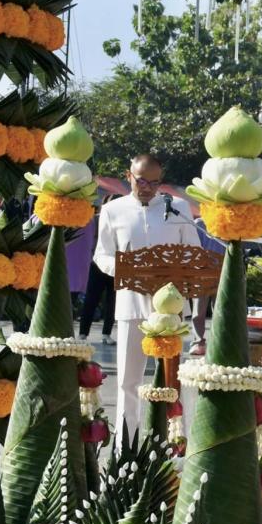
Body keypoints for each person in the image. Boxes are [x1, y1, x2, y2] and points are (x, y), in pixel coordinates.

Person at [93, 154, 199, 441]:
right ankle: (124, 445)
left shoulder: (177, 208)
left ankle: (174, 443)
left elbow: (193, 253)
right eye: (142, 181)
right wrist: (126, 269)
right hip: (131, 305)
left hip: (171, 310)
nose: (148, 188)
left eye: (155, 183)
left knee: (172, 381)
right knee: (129, 380)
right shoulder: (113, 210)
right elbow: (101, 255)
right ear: (129, 176)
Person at [190, 215, 227, 357]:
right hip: (202, 273)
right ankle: (198, 342)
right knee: (199, 310)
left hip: (222, 271)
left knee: (220, 310)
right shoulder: (198, 223)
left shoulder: (226, 223)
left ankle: (219, 342)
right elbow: (193, 247)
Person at [78, 209, 116, 344]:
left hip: (116, 264)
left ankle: (106, 334)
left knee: (112, 302)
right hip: (97, 263)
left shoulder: (124, 219)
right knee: (91, 299)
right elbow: (89, 239)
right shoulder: (97, 219)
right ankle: (83, 333)